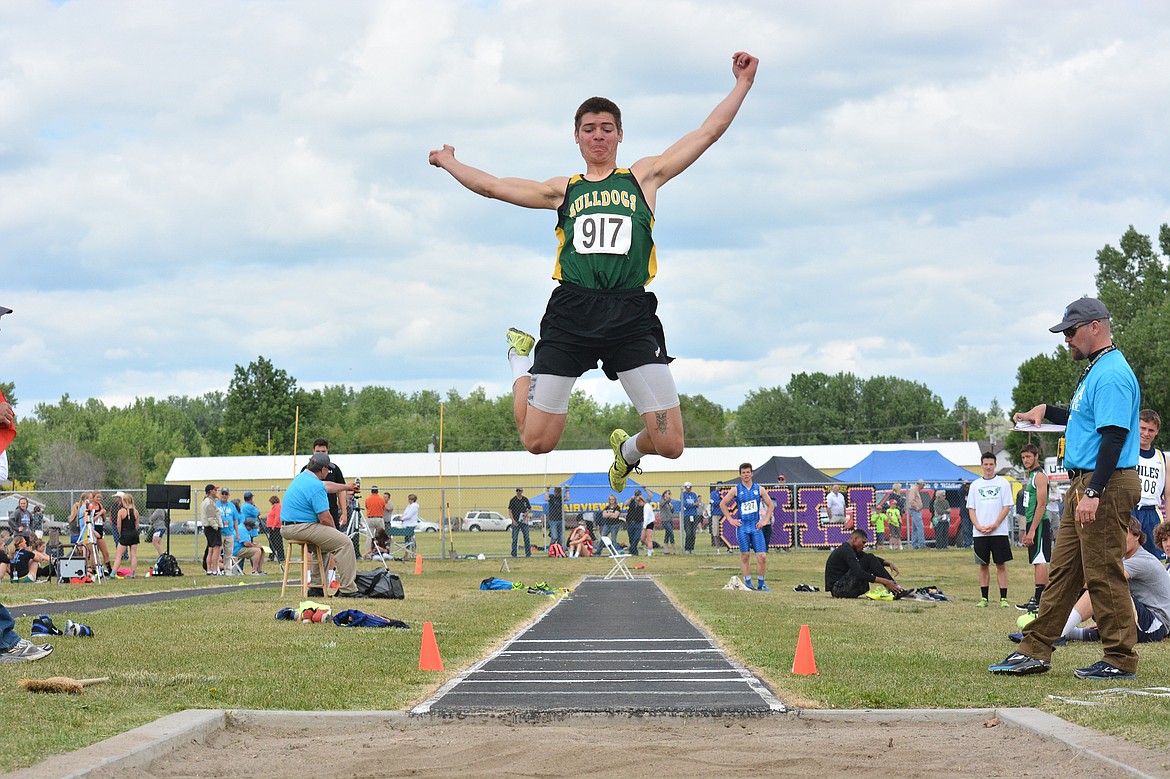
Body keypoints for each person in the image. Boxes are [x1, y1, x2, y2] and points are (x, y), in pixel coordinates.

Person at [429, 52, 760, 494]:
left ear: (620, 134)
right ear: (577, 138)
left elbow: (708, 132)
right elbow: (491, 186)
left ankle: (627, 454)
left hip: (631, 315)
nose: (598, 135)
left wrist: (743, 83)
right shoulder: (563, 190)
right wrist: (448, 160)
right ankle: (517, 359)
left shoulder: (645, 177)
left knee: (671, 443)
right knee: (537, 442)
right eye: (589, 129)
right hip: (572, 314)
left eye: (606, 128)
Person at [991, 297, 1142, 680]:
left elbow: (1113, 436)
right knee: (1062, 572)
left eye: (1071, 332)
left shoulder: (1111, 374)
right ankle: (1035, 649)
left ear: (1095, 327)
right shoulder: (1097, 370)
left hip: (1101, 483)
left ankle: (1120, 659)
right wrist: (1047, 412)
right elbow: (1086, 420)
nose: (1066, 340)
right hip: (1086, 483)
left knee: (1103, 572)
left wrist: (1094, 492)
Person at [1012, 519, 1170, 645]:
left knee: (1100, 587)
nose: (1118, 538)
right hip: (1139, 618)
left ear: (1136, 535)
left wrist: (1067, 577)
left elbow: (1102, 581)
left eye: (1123, 533)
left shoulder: (1142, 560)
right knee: (1092, 586)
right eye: (1114, 534)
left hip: (1154, 625)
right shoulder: (1123, 558)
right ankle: (1051, 631)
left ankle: (1053, 634)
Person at [280, 452, 360, 597]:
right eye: (328, 469)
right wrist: (336, 533)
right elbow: (325, 518)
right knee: (345, 543)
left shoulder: (302, 478)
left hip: (288, 527)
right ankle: (348, 590)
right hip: (302, 527)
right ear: (323, 469)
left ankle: (316, 588)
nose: (328, 472)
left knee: (324, 548)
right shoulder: (315, 486)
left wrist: (346, 487)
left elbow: (327, 485)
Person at [721, 463, 776, 591]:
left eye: (748, 472)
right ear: (740, 474)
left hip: (756, 527)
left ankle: (761, 584)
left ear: (752, 474)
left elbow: (770, 505)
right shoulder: (736, 489)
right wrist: (730, 519)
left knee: (762, 556)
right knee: (745, 556)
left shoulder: (759, 489)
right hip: (743, 528)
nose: (746, 475)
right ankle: (748, 583)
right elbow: (723, 504)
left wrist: (765, 521)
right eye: (743, 472)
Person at [969, 451, 1014, 608]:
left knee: (1000, 564)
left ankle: (1003, 598)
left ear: (995, 465)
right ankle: (984, 598)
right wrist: (978, 526)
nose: (988, 467)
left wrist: (995, 524)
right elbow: (971, 509)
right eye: (985, 464)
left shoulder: (1003, 483)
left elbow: (1006, 506)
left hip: (999, 532)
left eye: (991, 464)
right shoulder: (975, 485)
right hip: (980, 533)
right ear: (981, 465)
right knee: (983, 565)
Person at [1017, 444, 1051, 612]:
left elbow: (1041, 504)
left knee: (1040, 559)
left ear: (1036, 456)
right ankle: (1042, 597)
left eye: (1029, 457)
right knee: (1036, 560)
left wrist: (1032, 531)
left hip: (1040, 522)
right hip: (1032, 521)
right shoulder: (1031, 475)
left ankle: (1039, 599)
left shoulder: (1039, 476)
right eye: (1023, 457)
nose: (1025, 460)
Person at [825, 529, 903, 598]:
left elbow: (872, 559)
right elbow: (859, 573)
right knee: (869, 558)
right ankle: (896, 590)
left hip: (840, 587)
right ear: (855, 539)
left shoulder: (851, 550)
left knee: (870, 557)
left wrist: (888, 563)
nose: (864, 546)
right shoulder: (846, 550)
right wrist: (886, 581)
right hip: (838, 589)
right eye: (863, 542)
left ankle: (896, 590)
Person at [1133, 409, 1167, 560]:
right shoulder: (1127, 453)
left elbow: (1168, 494)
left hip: (1152, 513)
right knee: (1128, 556)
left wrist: (1168, 524)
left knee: (1155, 559)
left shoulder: (1162, 458)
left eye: (1151, 430)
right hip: (1130, 511)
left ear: (1157, 431)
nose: (1146, 433)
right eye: (1143, 428)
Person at [113, 492, 140, 576]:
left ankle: (113, 573)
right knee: (133, 555)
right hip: (134, 534)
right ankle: (133, 573)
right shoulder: (136, 512)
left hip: (125, 533)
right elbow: (137, 525)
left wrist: (121, 533)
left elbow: (118, 526)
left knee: (119, 555)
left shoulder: (121, 511)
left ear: (123, 501)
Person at [216, 488, 240, 572]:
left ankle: (228, 570)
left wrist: (237, 533)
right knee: (217, 553)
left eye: (226, 494)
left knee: (228, 553)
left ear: (228, 495)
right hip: (219, 532)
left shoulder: (231, 506)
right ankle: (216, 570)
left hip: (229, 532)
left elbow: (235, 519)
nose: (224, 495)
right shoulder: (216, 504)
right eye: (223, 493)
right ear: (220, 494)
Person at [200, 484, 222, 575]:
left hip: (208, 528)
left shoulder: (207, 501)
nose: (216, 491)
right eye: (214, 490)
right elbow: (211, 517)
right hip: (212, 528)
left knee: (210, 549)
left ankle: (209, 569)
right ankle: (214, 570)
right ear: (210, 491)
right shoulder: (209, 503)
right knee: (216, 549)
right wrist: (216, 526)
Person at [507, 488, 532, 558]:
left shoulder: (525, 499)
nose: (518, 492)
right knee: (515, 538)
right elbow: (510, 511)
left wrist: (526, 513)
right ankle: (514, 554)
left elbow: (529, 508)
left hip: (524, 521)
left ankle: (528, 553)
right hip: (516, 521)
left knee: (526, 537)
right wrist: (513, 520)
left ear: (522, 491)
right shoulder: (513, 500)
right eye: (517, 491)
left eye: (519, 491)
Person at [364, 486, 387, 557]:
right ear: (377, 491)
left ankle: (368, 553)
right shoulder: (381, 499)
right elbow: (383, 508)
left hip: (370, 518)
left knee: (369, 536)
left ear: (371, 491)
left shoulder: (367, 499)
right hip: (379, 518)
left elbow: (367, 507)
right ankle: (382, 551)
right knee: (381, 536)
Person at [680, 482, 701, 554]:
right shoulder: (683, 495)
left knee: (693, 533)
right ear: (685, 488)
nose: (689, 489)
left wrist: (693, 504)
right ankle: (687, 548)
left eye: (690, 487)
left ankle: (692, 548)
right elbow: (685, 504)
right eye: (687, 488)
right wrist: (693, 504)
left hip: (694, 515)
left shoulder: (694, 494)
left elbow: (697, 503)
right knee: (688, 532)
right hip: (687, 515)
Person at [907, 480, 927, 550]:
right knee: (920, 527)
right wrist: (917, 507)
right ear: (920, 484)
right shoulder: (913, 490)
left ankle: (914, 545)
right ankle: (922, 545)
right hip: (915, 511)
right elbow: (911, 501)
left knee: (915, 528)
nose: (923, 487)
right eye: (923, 485)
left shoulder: (915, 490)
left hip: (916, 511)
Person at [266, 495, 284, 564]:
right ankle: (272, 556)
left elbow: (277, 516)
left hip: (276, 527)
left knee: (277, 542)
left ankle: (280, 556)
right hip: (273, 527)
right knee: (272, 542)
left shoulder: (277, 507)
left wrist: (273, 526)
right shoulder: (275, 507)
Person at [624, 490, 644, 555]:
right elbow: (626, 504)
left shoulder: (642, 501)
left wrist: (641, 498)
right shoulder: (632, 500)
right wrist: (631, 499)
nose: (637, 496)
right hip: (630, 521)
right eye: (636, 495)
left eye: (638, 495)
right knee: (631, 538)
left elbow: (647, 503)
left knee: (637, 537)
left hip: (638, 522)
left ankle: (631, 550)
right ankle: (635, 552)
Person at [658, 489, 677, 555]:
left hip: (670, 520)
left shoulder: (669, 503)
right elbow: (662, 504)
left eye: (670, 494)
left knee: (667, 534)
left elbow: (671, 512)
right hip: (665, 520)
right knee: (671, 533)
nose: (669, 495)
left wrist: (672, 507)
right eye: (668, 493)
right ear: (664, 494)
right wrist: (667, 501)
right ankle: (675, 550)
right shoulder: (662, 501)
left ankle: (666, 550)